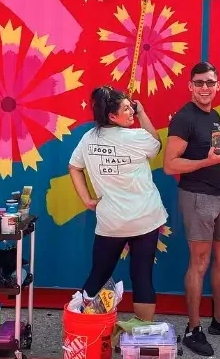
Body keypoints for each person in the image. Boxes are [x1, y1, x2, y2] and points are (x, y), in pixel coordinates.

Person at [163, 61, 220, 356]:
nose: (204, 88)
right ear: (190, 86)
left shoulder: (214, 115)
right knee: (199, 263)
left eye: (210, 83)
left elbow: (215, 158)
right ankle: (193, 328)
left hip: (219, 195)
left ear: (218, 85)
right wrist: (207, 162)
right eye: (199, 83)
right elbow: (170, 164)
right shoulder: (183, 119)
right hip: (196, 197)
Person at [68, 87, 166, 322]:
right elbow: (157, 143)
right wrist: (143, 114)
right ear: (112, 116)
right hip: (146, 217)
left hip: (111, 221)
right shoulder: (138, 137)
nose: (131, 110)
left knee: (99, 274)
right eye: (126, 109)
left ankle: (79, 325)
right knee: (142, 276)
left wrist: (87, 200)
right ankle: (143, 336)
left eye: (131, 107)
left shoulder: (89, 138)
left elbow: (74, 166)